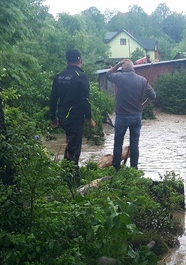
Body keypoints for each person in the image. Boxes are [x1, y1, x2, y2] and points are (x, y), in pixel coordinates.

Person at [49, 49, 96, 187]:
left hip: (62, 116)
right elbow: (85, 100)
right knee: (75, 149)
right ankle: (73, 182)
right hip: (75, 118)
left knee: (70, 145)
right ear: (80, 59)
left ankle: (66, 175)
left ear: (67, 61)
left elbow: (53, 99)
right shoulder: (80, 76)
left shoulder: (59, 76)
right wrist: (90, 118)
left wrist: (53, 117)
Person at [106, 59, 156, 170]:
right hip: (136, 116)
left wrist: (118, 63)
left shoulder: (119, 77)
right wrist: (142, 105)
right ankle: (134, 169)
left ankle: (116, 169)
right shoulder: (142, 80)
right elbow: (153, 96)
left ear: (123, 69)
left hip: (122, 116)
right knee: (134, 143)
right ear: (133, 68)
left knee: (118, 142)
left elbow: (108, 74)